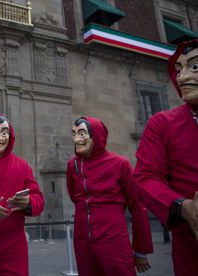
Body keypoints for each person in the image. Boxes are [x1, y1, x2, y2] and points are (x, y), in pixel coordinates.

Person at [133, 39, 198, 275]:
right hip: (190, 249)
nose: (181, 78)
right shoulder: (163, 123)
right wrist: (183, 207)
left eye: (194, 67)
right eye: (178, 69)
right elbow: (144, 179)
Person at [66, 116, 153, 276]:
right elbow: (74, 196)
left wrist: (141, 249)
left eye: (82, 134)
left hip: (113, 241)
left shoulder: (120, 164)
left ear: (96, 136)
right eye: (74, 134)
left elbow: (137, 206)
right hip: (83, 243)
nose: (76, 139)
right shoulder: (73, 165)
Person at [0, 114, 44, 276]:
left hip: (13, 253)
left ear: (10, 137)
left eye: (4, 132)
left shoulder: (22, 166)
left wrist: (28, 202)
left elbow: (39, 200)